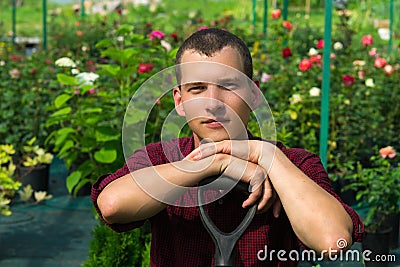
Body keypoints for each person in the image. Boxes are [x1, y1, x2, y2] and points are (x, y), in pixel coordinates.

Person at [91, 28, 364, 266]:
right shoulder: (160, 157)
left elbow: (333, 241)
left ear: (254, 94)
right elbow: (112, 205)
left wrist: (267, 155)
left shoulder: (295, 165)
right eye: (197, 88)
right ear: (179, 101)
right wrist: (213, 162)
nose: (214, 102)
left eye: (229, 86)